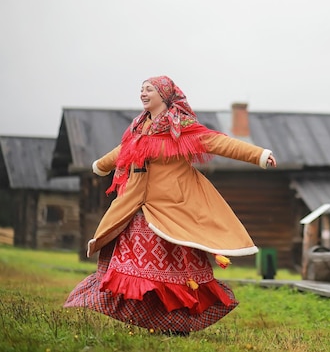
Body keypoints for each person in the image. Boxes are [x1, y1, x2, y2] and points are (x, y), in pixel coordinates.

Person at [64, 76, 277, 334]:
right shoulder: (138, 128)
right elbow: (123, 151)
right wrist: (101, 165)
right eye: (141, 89)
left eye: (149, 89)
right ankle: (142, 315)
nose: (143, 93)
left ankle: (176, 325)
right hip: (137, 205)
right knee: (134, 267)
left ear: (164, 95)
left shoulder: (183, 129)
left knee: (174, 272)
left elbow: (220, 143)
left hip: (173, 209)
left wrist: (260, 155)